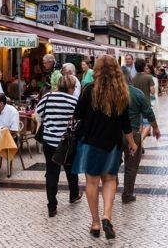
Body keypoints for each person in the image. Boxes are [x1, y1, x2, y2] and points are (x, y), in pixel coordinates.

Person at [72, 55, 137, 240]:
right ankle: (107, 215)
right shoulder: (122, 92)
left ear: (97, 69)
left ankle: (95, 223)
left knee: (92, 182)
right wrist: (132, 143)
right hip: (112, 144)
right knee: (110, 179)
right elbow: (126, 124)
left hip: (91, 143)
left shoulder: (88, 90)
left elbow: (77, 115)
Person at [35, 75, 81, 217]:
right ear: (69, 87)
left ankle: (52, 205)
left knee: (52, 172)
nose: (74, 90)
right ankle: (73, 195)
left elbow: (37, 115)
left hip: (49, 141)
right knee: (71, 169)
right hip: (67, 142)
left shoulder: (47, 98)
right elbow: (79, 119)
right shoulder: (74, 101)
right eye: (74, 87)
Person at [120, 67, 160, 204]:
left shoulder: (112, 93)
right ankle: (127, 194)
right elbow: (148, 112)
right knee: (131, 166)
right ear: (129, 78)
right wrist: (156, 128)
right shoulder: (137, 93)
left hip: (113, 134)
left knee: (112, 164)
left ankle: (111, 190)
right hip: (133, 133)